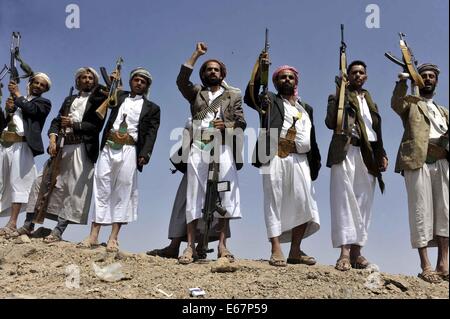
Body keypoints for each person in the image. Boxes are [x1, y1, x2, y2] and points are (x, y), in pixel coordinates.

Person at [11, 67, 107, 241]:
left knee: (73, 189)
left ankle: (58, 231)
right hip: (62, 145)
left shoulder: (99, 101)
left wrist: (74, 123)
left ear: (94, 82)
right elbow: (56, 121)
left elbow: (95, 127)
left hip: (82, 148)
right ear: (78, 81)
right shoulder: (69, 99)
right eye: (83, 77)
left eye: (90, 78)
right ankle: (28, 224)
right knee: (40, 182)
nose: (86, 80)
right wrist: (53, 139)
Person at [244, 62, 321, 267]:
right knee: (274, 200)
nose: (286, 80)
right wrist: (260, 68)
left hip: (301, 158)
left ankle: (295, 251)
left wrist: (316, 162)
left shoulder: (306, 108)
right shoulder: (269, 100)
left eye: (290, 77)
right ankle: (276, 248)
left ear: (296, 81)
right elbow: (250, 96)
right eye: (282, 77)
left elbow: (312, 137)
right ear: (275, 82)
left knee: (304, 202)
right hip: (275, 155)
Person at [175, 42, 246, 264]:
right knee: (194, 193)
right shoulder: (197, 93)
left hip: (223, 148)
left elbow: (241, 122)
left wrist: (227, 125)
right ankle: (189, 247)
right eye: (208, 69)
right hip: (199, 146)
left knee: (225, 193)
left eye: (216, 69)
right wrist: (196, 54)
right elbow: (181, 81)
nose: (212, 72)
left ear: (222, 74)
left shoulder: (233, 95)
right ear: (204, 74)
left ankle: (223, 246)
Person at [78, 67, 160, 252]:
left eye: (143, 81)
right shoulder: (118, 96)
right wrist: (113, 81)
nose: (139, 83)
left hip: (130, 149)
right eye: (136, 79)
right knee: (101, 188)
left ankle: (114, 238)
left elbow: (151, 133)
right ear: (131, 81)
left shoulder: (153, 108)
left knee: (123, 190)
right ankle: (93, 235)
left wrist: (145, 154)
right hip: (108, 146)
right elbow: (98, 94)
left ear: (147, 86)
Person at [325, 60, 388, 271]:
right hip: (345, 150)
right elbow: (331, 122)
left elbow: (375, 132)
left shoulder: (371, 103)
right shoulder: (338, 97)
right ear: (348, 76)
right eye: (354, 73)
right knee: (343, 199)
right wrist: (339, 91)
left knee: (364, 202)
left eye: (361, 73)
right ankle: (344, 253)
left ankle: (357, 252)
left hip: (367, 153)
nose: (358, 76)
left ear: (366, 77)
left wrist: (382, 154)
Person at [391, 63, 448, 283]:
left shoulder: (443, 112)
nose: (427, 79)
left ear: (436, 81)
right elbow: (396, 104)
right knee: (420, 211)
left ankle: (443, 264)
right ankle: (425, 265)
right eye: (423, 75)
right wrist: (403, 81)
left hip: (442, 161)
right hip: (418, 161)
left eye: (431, 76)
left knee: (445, 212)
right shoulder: (412, 104)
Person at [0, 73, 52, 236]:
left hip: (22, 146)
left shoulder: (43, 103)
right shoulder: (18, 101)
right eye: (35, 82)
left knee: (19, 183)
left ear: (45, 89)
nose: (37, 85)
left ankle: (13, 223)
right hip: (5, 144)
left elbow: (31, 110)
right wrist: (9, 110)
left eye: (42, 85)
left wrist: (17, 95)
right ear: (29, 83)